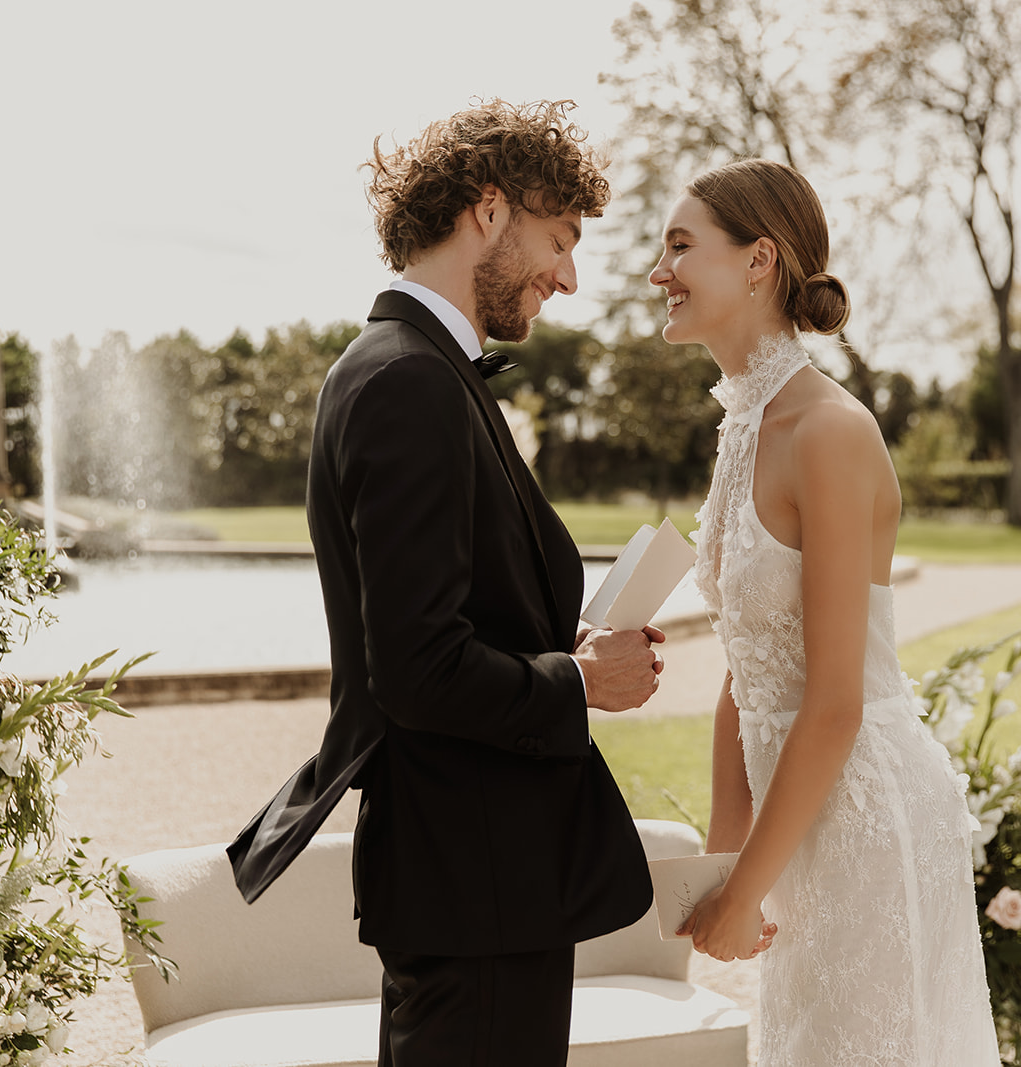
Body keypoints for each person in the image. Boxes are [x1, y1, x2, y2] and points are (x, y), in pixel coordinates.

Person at [229, 99, 663, 1067]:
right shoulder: (406, 382)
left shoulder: (410, 371)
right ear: (488, 209)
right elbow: (418, 667)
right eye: (561, 238)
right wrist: (581, 683)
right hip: (476, 882)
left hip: (476, 881)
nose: (570, 273)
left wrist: (572, 656)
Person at [650, 158, 1000, 1065]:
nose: (659, 272)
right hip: (793, 827)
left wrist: (743, 888)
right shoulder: (743, 426)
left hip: (868, 824)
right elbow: (748, 670)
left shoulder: (831, 432)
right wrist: (730, 867)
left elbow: (836, 700)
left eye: (681, 246)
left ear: (759, 260)